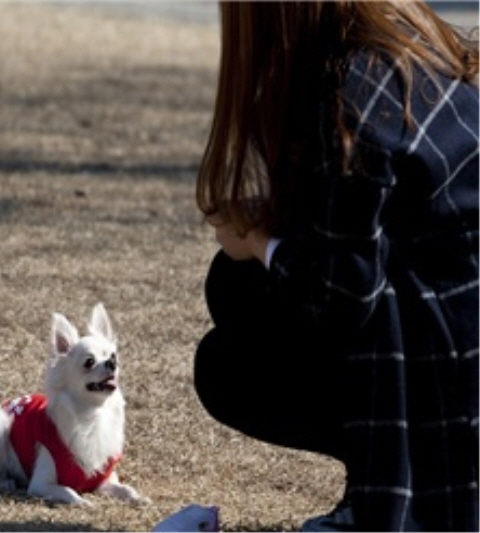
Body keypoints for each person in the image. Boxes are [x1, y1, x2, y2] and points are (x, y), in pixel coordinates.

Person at [192, 1, 478, 531]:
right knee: (233, 289)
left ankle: (398, 490)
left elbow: (347, 293)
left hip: (447, 369)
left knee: (227, 356)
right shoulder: (412, 43)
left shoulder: (349, 94)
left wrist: (258, 240)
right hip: (464, 319)